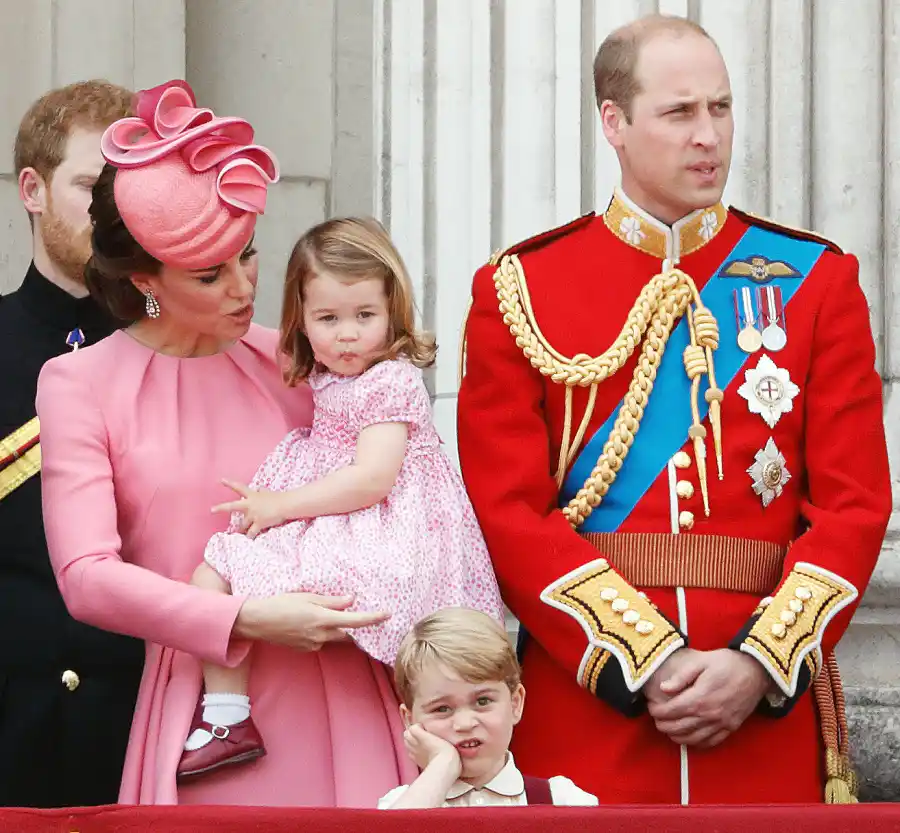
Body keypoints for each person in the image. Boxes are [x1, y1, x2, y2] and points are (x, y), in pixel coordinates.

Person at [457, 14, 891, 805]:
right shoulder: (519, 289)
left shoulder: (815, 280)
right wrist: (644, 657)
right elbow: (509, 508)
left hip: (760, 709)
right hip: (591, 704)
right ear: (613, 123)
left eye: (720, 109)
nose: (709, 137)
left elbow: (855, 506)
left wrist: (759, 661)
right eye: (680, 112)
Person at [35, 79, 417, 807]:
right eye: (210, 274)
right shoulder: (80, 381)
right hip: (212, 715)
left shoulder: (305, 361)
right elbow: (86, 574)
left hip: (349, 683)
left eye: (249, 254)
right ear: (145, 280)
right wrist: (242, 617)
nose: (245, 286)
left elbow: (404, 483)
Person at [177, 216, 503, 780]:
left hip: (391, 530)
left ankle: (454, 759)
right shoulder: (328, 379)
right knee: (215, 572)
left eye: (365, 317)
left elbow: (372, 479)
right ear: (301, 321)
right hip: (346, 519)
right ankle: (227, 715)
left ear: (393, 311)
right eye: (328, 319)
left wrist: (277, 505)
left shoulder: (389, 381)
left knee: (428, 654)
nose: (346, 335)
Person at [0, 79, 145, 808]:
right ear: (33, 188)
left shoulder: (185, 349)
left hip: (149, 735)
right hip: (15, 735)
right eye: (93, 185)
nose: (113, 209)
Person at [378, 607, 598, 808]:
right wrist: (443, 765)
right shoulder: (399, 804)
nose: (464, 724)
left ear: (515, 703)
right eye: (442, 709)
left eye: (482, 701)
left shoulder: (564, 800)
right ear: (409, 720)